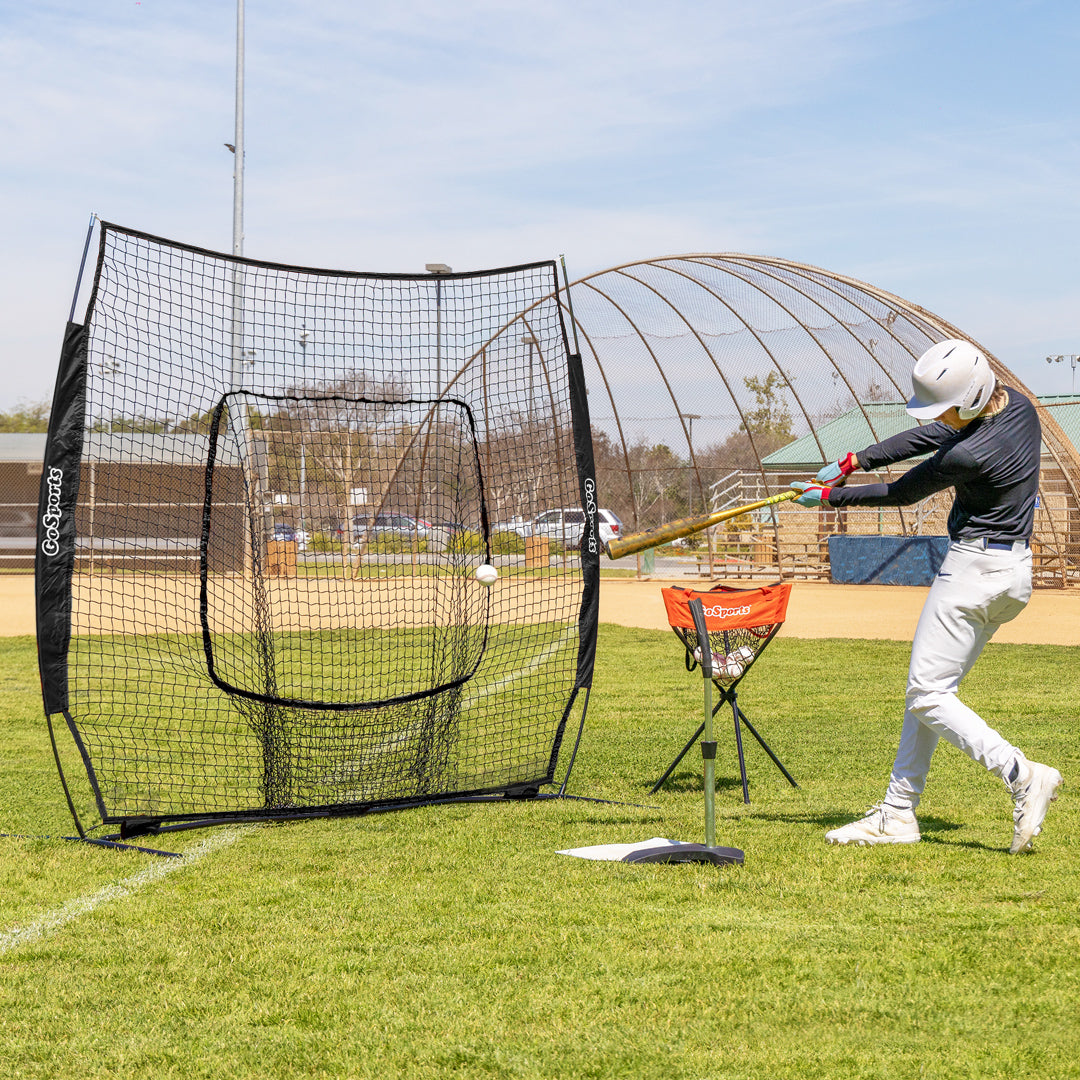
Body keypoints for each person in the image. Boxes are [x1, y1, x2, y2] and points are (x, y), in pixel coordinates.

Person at [790, 338, 1063, 853]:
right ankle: (897, 813)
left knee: (926, 694)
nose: (940, 417)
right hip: (1010, 573)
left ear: (971, 398)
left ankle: (1021, 773)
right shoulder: (1019, 406)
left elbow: (903, 493)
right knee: (933, 691)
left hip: (973, 572)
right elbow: (934, 431)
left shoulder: (968, 453)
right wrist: (857, 458)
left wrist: (831, 497)